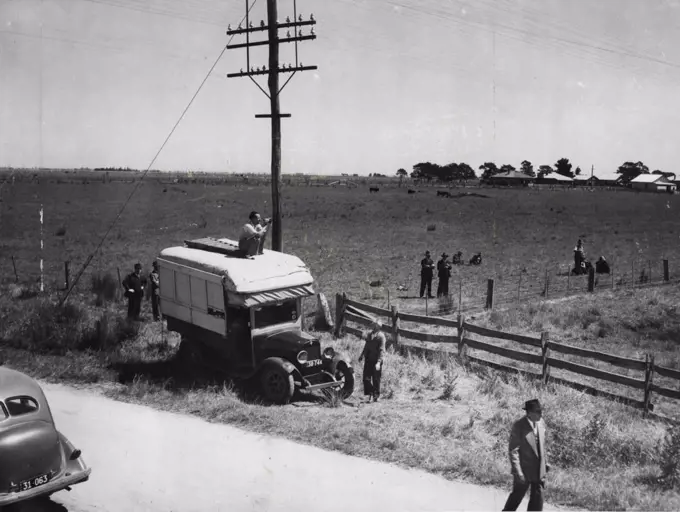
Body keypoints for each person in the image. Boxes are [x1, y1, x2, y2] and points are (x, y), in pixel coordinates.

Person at [503, 399, 551, 512]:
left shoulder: (541, 423)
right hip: (524, 470)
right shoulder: (519, 426)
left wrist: (546, 462)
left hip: (539, 470)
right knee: (516, 497)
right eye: (537, 412)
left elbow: (542, 445)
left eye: (541, 411)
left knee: (537, 501)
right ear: (529, 413)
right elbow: (513, 451)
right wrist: (518, 472)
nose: (541, 414)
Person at [358, 319, 386, 402]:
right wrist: (362, 355)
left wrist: (378, 362)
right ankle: (369, 394)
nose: (372, 326)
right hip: (368, 359)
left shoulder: (381, 336)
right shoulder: (370, 334)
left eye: (374, 325)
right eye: (373, 325)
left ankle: (375, 396)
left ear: (378, 327)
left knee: (376, 379)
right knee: (366, 378)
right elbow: (366, 346)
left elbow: (382, 350)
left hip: (376, 360)